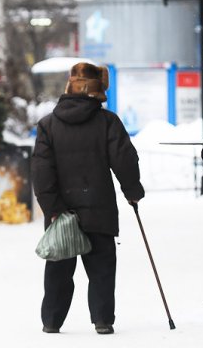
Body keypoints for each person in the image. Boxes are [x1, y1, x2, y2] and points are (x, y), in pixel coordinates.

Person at [32, 62, 145, 335]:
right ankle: (102, 320)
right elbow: (125, 160)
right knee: (102, 267)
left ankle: (51, 321)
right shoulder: (107, 122)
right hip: (99, 208)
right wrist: (132, 190)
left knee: (59, 269)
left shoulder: (48, 125)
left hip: (62, 211)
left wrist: (53, 208)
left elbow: (41, 171)